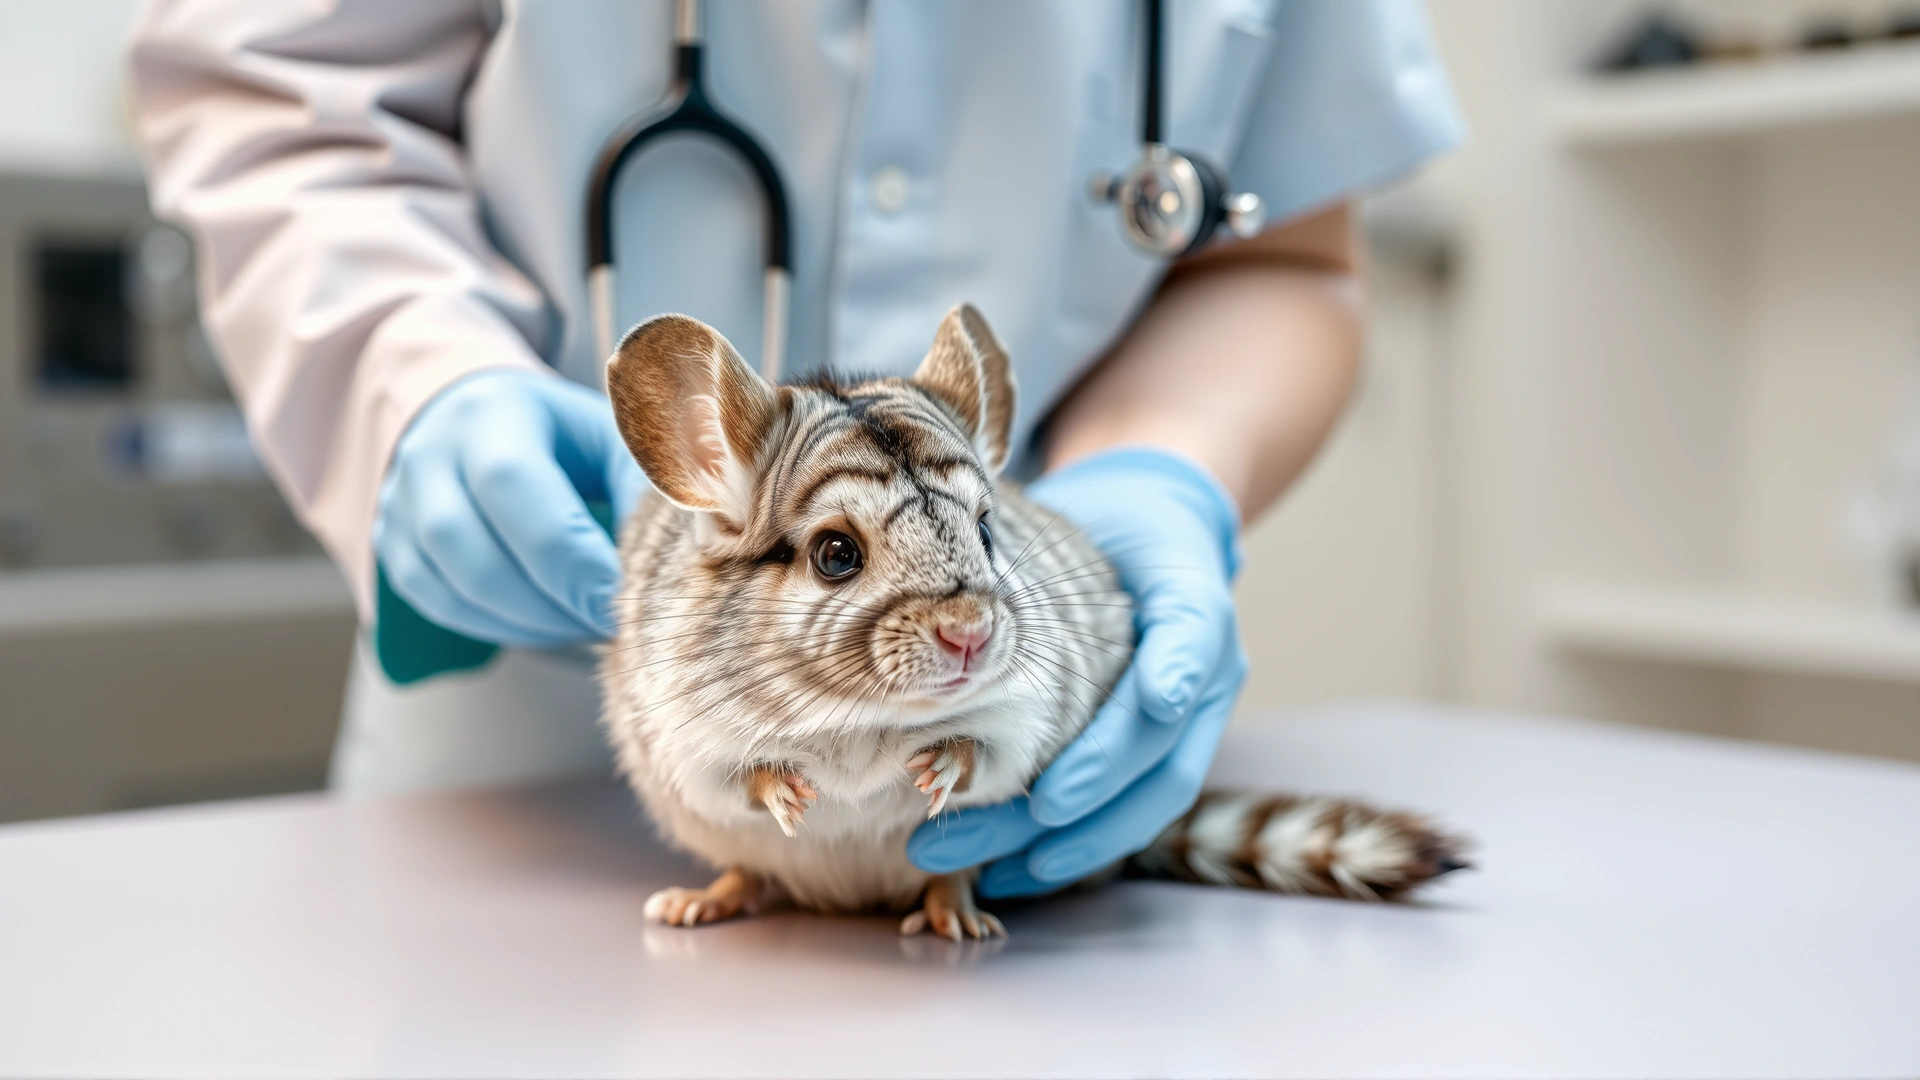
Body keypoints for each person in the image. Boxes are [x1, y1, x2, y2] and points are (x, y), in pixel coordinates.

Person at [127, 0, 1460, 900]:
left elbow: (1283, 253)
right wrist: (414, 377)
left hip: (1017, 776)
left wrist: (1160, 469)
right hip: (523, 781)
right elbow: (275, 100)